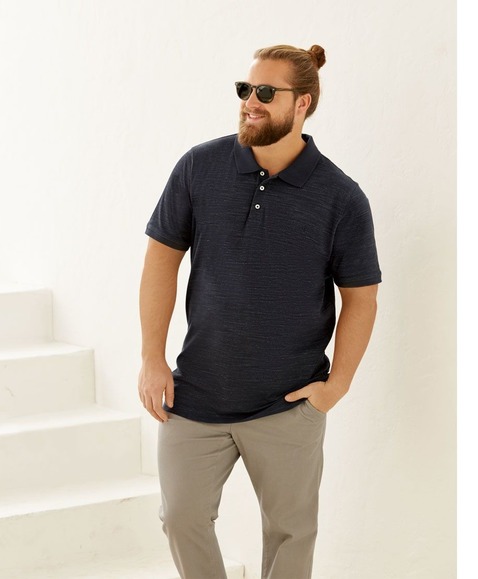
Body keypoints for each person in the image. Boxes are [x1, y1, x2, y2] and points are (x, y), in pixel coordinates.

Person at [138, 44, 381, 579]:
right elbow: (161, 260)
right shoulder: (200, 167)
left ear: (303, 104)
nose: (250, 101)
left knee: (291, 534)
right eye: (245, 89)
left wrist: (336, 386)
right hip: (195, 395)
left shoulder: (341, 197)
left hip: (286, 404)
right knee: (180, 518)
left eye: (266, 93)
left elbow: (361, 297)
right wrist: (152, 358)